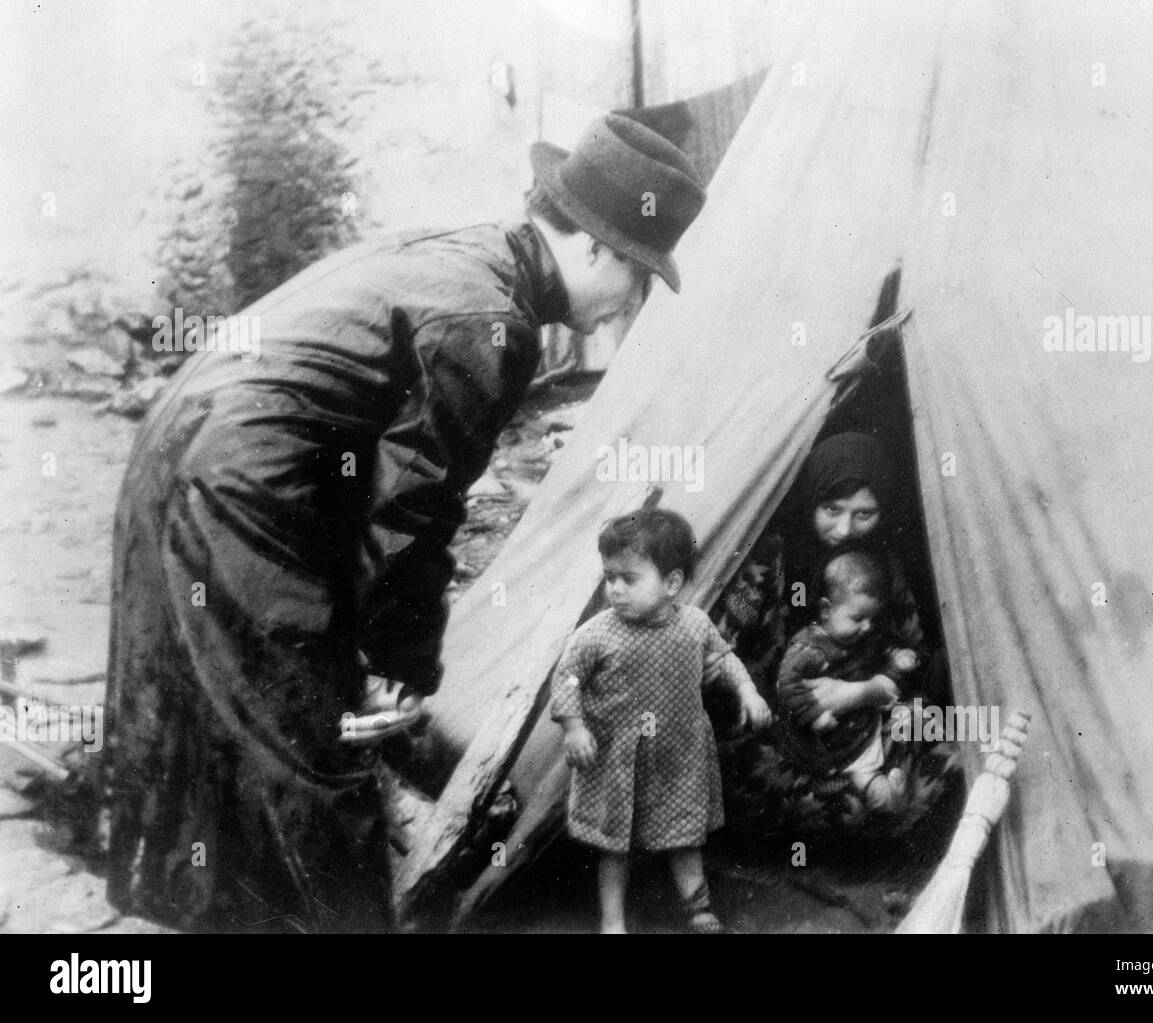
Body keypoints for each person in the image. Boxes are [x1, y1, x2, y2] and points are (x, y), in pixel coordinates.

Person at [100, 113, 707, 932]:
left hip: (188, 448)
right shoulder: (495, 322)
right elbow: (414, 508)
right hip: (238, 483)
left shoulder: (469, 256)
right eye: (638, 273)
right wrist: (400, 658)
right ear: (596, 247)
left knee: (235, 728)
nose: (629, 302)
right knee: (315, 755)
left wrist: (383, 646)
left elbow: (382, 476)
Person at [704, 431, 956, 835]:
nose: (845, 529)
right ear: (811, 501)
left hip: (860, 720)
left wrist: (863, 691)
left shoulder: (881, 564)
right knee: (864, 800)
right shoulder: (772, 557)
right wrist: (790, 701)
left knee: (937, 754)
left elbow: (916, 647)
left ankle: (875, 794)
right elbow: (719, 652)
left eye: (864, 514)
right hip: (774, 729)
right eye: (832, 509)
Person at [550, 509, 771, 933]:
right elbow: (568, 678)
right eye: (609, 577)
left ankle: (698, 906)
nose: (614, 589)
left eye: (628, 579)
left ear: (671, 583)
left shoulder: (694, 624)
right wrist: (574, 726)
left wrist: (747, 691)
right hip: (617, 758)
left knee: (683, 834)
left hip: (677, 753)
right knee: (614, 846)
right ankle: (612, 920)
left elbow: (723, 659)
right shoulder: (598, 634)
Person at [774, 548, 921, 810]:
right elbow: (787, 686)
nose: (867, 627)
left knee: (894, 734)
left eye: (872, 619)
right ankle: (884, 798)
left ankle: (890, 792)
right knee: (860, 770)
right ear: (826, 610)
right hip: (820, 741)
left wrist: (898, 656)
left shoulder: (862, 636)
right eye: (858, 618)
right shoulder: (809, 649)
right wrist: (814, 713)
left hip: (857, 725)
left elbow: (880, 646)